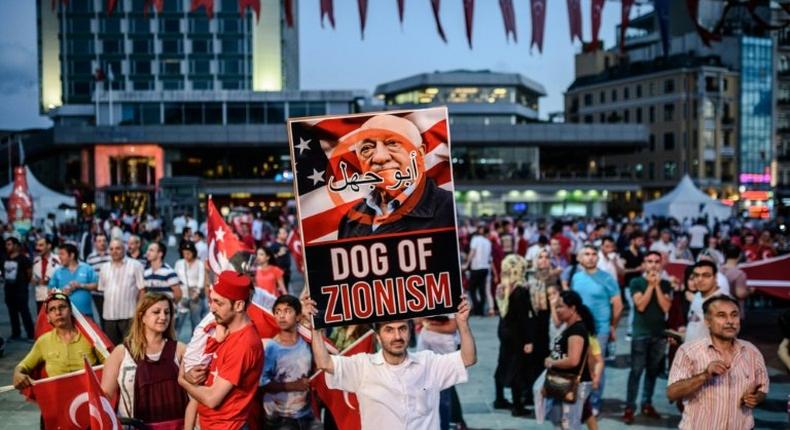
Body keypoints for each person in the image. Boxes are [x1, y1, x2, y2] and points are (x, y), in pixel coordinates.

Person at [304, 296, 477, 429]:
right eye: (389, 330)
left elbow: (468, 358)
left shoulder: (428, 363)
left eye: (402, 329)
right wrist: (316, 329)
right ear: (378, 337)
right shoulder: (363, 366)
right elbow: (324, 363)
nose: (397, 337)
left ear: (409, 333)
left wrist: (462, 323)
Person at [336, 114, 455, 238]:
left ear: (419, 154)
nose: (380, 157)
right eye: (367, 148)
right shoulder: (349, 220)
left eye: (393, 143)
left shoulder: (448, 209)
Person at [667, 295, 769, 429]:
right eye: (721, 315)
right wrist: (705, 375)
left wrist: (756, 398)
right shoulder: (688, 351)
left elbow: (762, 388)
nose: (730, 321)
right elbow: (672, 393)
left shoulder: (751, 351)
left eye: (734, 315)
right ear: (707, 321)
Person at [178, 271, 264, 430]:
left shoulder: (244, 344)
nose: (212, 308)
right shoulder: (226, 330)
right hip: (210, 423)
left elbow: (212, 398)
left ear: (238, 305)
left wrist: (182, 380)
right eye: (211, 300)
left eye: (219, 303)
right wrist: (193, 377)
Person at [100, 293, 188, 426]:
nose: (163, 317)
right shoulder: (120, 353)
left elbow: (194, 393)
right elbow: (105, 396)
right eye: (156, 312)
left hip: (177, 426)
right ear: (142, 317)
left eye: (167, 312)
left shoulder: (180, 350)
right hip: (135, 426)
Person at [569, 245, 623, 414]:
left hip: (599, 329)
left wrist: (612, 326)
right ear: (580, 258)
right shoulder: (576, 278)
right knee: (577, 364)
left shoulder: (607, 278)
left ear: (598, 258)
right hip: (578, 329)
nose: (591, 257)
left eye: (594, 254)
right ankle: (579, 399)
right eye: (587, 254)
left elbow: (618, 306)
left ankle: (594, 402)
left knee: (597, 366)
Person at [13, 293, 105, 389]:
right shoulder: (44, 341)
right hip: (60, 397)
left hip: (90, 396)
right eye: (52, 309)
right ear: (48, 317)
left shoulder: (89, 337)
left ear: (70, 311)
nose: (58, 312)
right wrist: (17, 373)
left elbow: (109, 362)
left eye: (62, 307)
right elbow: (24, 365)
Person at [623, 251, 672, 424]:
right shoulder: (636, 282)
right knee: (636, 372)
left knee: (652, 372)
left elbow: (666, 307)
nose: (653, 265)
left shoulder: (665, 284)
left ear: (661, 264)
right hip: (640, 334)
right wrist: (650, 286)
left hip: (658, 335)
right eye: (649, 261)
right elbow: (641, 305)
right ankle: (630, 407)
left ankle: (647, 403)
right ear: (644, 264)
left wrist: (657, 286)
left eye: (656, 261)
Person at [261, 295, 314, 429]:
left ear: (298, 316)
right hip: (279, 418)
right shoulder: (271, 348)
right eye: (278, 311)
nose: (281, 316)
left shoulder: (307, 343)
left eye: (287, 311)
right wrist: (294, 385)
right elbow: (262, 384)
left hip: (306, 413)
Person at [544, 290, 592, 430]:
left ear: (572, 309)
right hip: (566, 382)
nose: (557, 310)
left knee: (570, 423)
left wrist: (552, 362)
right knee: (561, 419)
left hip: (575, 384)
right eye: (556, 306)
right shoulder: (571, 328)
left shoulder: (576, 331)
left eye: (560, 306)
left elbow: (573, 360)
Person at [492, 254, 531, 416]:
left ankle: (499, 399)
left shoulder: (502, 286)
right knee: (517, 368)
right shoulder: (520, 290)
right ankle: (517, 406)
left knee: (503, 362)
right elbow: (523, 318)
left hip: (504, 330)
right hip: (516, 334)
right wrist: (528, 340)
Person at [98, 239, 145, 345]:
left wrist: (139, 311)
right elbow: (103, 291)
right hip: (109, 316)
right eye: (111, 249)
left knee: (131, 348)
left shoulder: (136, 265)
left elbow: (142, 290)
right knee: (112, 349)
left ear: (124, 249)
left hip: (129, 316)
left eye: (118, 248)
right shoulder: (104, 268)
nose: (114, 251)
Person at [48, 243, 98, 320]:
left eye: (62, 254)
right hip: (65, 317)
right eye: (59, 254)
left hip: (86, 314)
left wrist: (80, 285)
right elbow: (49, 291)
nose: (59, 257)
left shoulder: (86, 268)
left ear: (71, 255)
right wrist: (61, 293)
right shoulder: (57, 272)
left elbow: (96, 285)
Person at [683, 260, 727, 343]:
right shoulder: (698, 295)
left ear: (715, 277)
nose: (700, 279)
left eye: (706, 275)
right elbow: (696, 323)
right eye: (696, 275)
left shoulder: (724, 301)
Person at [2, 236, 34, 340]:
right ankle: (16, 333)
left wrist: (25, 283)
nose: (7, 246)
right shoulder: (4, 258)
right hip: (9, 290)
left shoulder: (23, 258)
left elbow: (29, 272)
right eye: (6, 244)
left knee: (24, 312)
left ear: (16, 246)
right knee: (12, 312)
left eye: (9, 244)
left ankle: (31, 333)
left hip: (20, 290)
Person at [174, 240, 207, 334]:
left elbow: (201, 278)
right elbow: (175, 277)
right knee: (178, 321)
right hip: (182, 294)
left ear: (193, 252)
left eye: (188, 253)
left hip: (195, 295)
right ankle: (173, 344)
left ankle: (195, 344)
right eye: (184, 253)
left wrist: (197, 292)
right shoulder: (179, 263)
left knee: (196, 322)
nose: (186, 255)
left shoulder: (199, 263)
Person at [466, 225, 492, 316]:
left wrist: (467, 264)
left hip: (476, 267)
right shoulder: (488, 242)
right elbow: (489, 257)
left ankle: (476, 308)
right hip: (485, 267)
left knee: (472, 289)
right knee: (482, 290)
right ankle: (481, 310)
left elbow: (472, 252)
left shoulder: (475, 239)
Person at [86, 233, 111, 325]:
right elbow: (88, 275)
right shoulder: (90, 258)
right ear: (95, 243)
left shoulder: (111, 255)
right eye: (99, 241)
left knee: (111, 316)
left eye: (104, 240)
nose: (102, 243)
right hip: (97, 293)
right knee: (101, 316)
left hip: (110, 291)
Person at [32, 236, 59, 313]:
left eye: (41, 245)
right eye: (37, 245)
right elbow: (33, 280)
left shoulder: (57, 259)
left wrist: (50, 281)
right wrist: (36, 281)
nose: (37, 248)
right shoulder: (36, 260)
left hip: (55, 296)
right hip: (40, 297)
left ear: (49, 246)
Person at [721, 245, 749, 316]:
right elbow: (740, 294)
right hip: (733, 311)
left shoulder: (717, 270)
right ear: (739, 255)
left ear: (724, 254)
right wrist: (750, 291)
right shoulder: (739, 274)